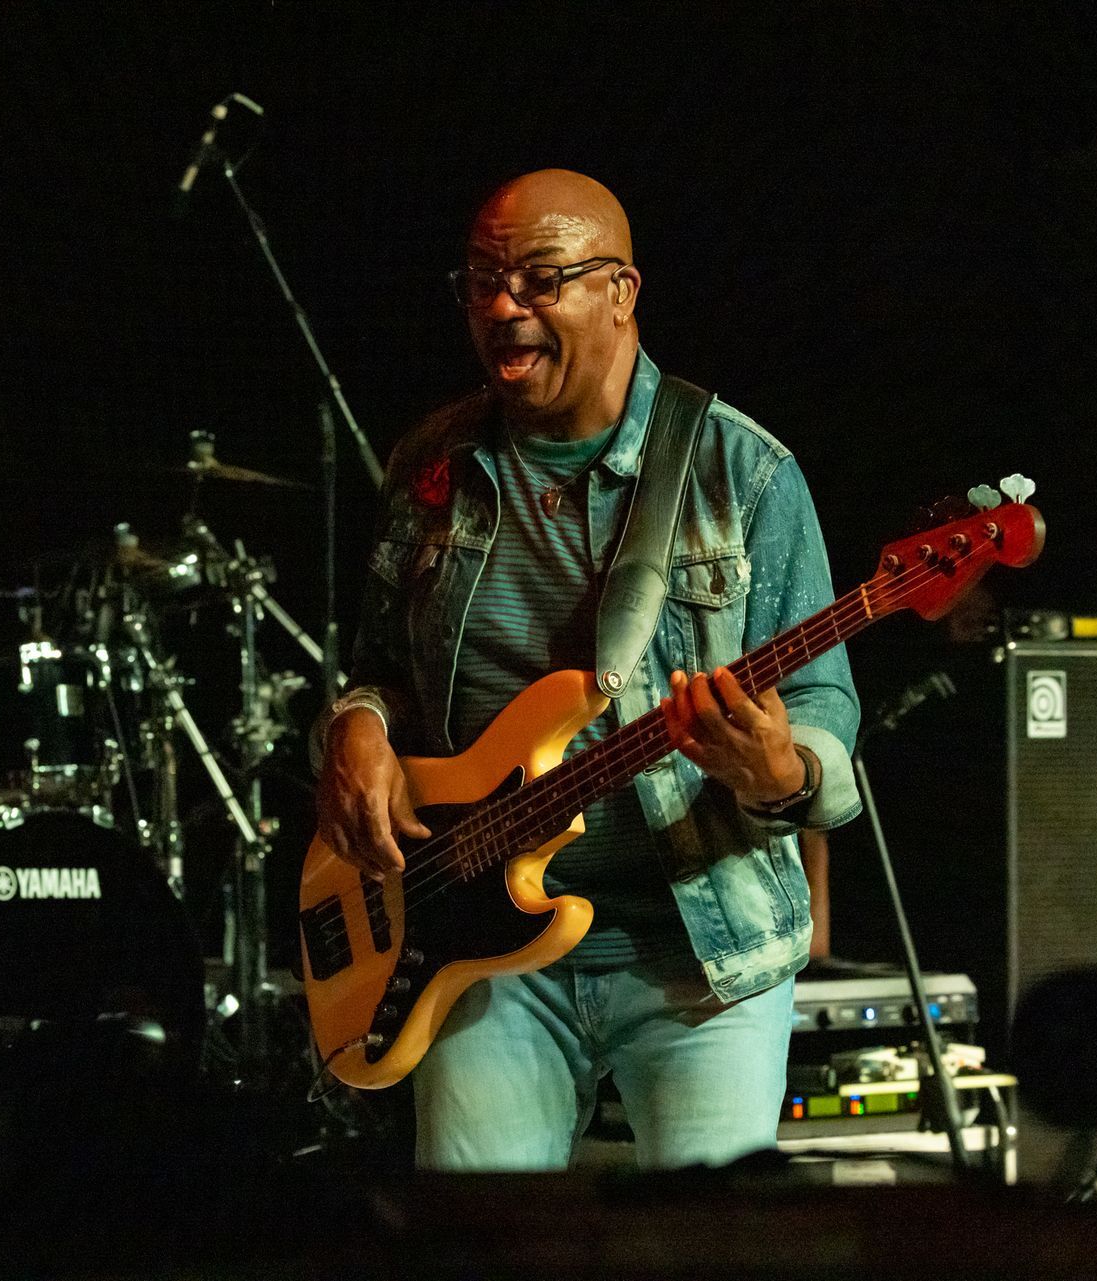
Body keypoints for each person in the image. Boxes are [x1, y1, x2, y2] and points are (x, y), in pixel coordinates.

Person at [314, 169, 861, 1172]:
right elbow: (380, 668)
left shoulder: (745, 472)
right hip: (476, 946)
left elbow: (823, 703)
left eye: (539, 279)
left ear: (621, 291)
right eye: (482, 282)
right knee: (479, 1242)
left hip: (702, 953)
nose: (502, 308)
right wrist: (356, 725)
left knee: (714, 1244)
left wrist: (782, 771)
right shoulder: (433, 465)